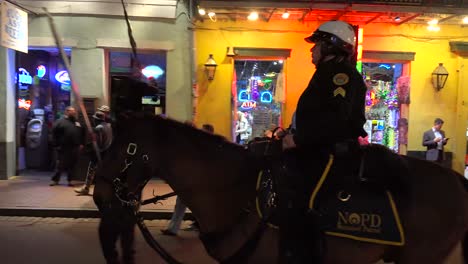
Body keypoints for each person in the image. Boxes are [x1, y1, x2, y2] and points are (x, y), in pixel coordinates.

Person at [280, 20, 368, 264]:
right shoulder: (325, 74)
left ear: (331, 46)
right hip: (315, 148)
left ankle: (310, 256)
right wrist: (289, 133)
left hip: (330, 154)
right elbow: (313, 117)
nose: (312, 49)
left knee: (306, 202)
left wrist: (298, 139)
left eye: (316, 44)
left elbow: (336, 121)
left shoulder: (341, 76)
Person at [161, 123, 214, 236]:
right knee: (181, 204)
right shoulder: (197, 144)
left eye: (203, 131)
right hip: (189, 180)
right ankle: (173, 228)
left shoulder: (206, 146)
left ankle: (203, 227)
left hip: (197, 181)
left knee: (193, 205)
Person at [74, 109, 113, 195]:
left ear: (97, 120)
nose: (93, 120)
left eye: (95, 119)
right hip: (107, 151)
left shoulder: (99, 128)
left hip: (100, 152)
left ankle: (86, 188)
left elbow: (98, 143)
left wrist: (92, 140)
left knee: (91, 170)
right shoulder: (109, 126)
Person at [50, 106, 85, 186]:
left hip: (75, 147)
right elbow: (54, 134)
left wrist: (82, 143)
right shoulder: (60, 122)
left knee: (72, 165)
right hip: (63, 147)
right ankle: (55, 180)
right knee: (60, 165)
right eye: (71, 111)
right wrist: (56, 145)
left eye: (74, 111)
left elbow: (82, 132)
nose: (73, 113)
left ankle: (70, 180)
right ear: (66, 112)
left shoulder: (77, 122)